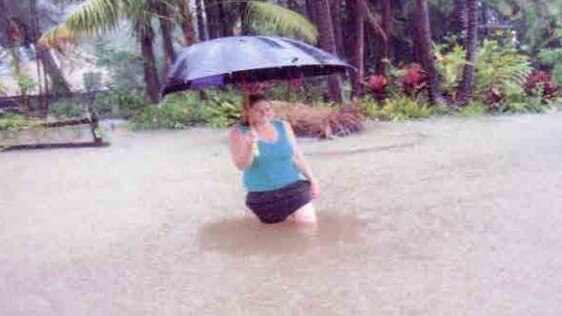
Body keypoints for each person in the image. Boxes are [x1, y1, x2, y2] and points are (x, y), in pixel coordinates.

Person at [229, 94, 320, 225]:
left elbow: (297, 156)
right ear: (247, 112)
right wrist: (248, 146)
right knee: (282, 235)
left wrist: (313, 179)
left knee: (308, 225)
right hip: (262, 194)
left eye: (267, 109)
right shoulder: (238, 133)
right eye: (258, 110)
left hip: (293, 187)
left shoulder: (283, 126)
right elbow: (242, 166)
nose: (264, 113)